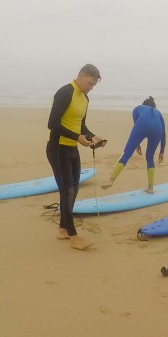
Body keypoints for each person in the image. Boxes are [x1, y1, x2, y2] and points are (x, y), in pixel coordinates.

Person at [46, 64, 107, 250]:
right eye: (90, 83)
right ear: (80, 76)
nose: (91, 88)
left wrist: (92, 137)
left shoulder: (84, 98)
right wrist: (78, 137)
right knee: (67, 191)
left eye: (94, 85)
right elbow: (52, 123)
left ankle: (63, 229)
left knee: (74, 189)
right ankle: (73, 236)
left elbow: (80, 125)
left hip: (72, 148)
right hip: (58, 148)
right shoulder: (65, 93)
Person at [102, 97, 166, 194]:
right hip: (157, 130)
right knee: (150, 157)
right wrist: (162, 151)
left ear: (143, 104)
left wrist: (137, 144)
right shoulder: (158, 113)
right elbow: (163, 133)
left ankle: (111, 180)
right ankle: (150, 187)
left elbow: (137, 125)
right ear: (154, 107)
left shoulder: (138, 108)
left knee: (126, 154)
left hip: (142, 126)